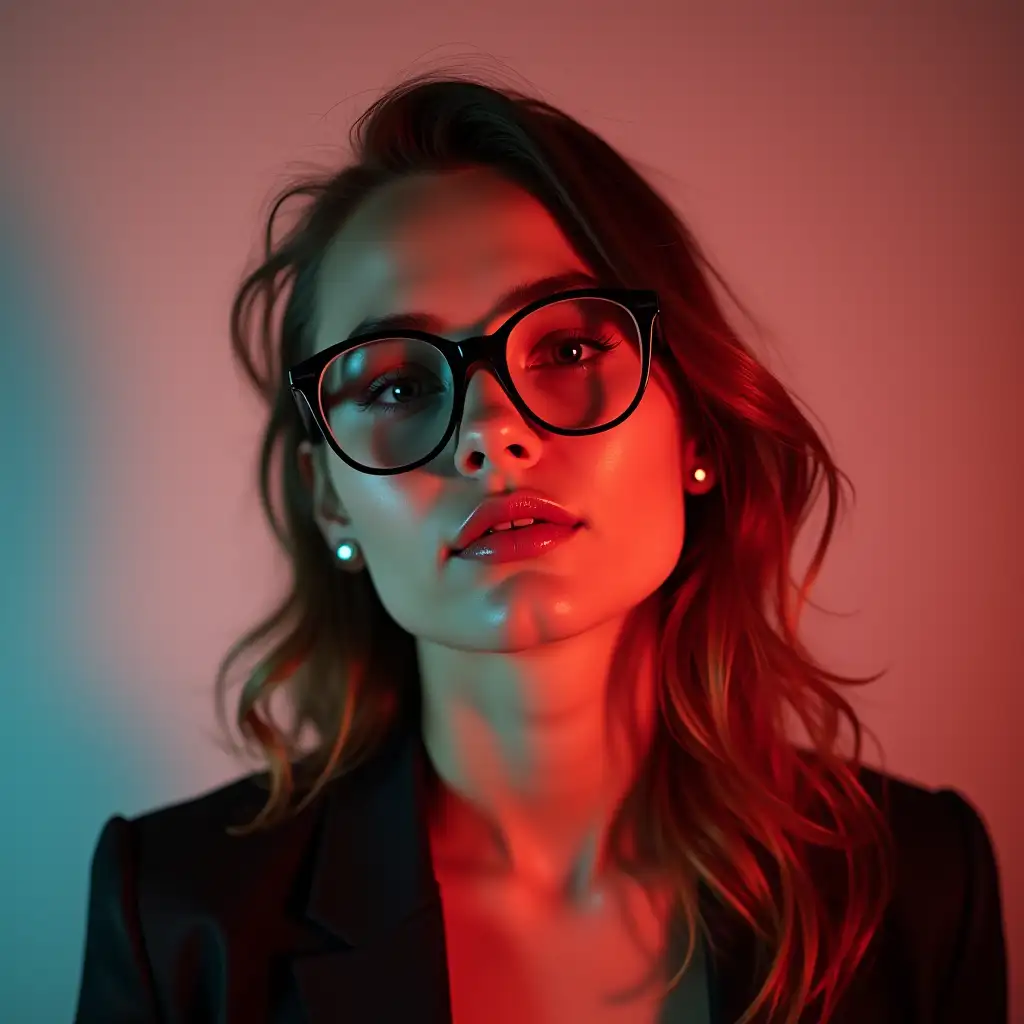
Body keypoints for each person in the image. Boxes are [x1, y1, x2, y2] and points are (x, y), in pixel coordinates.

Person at [73, 71, 1008, 1024]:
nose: (490, 432)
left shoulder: (919, 883)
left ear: (695, 433)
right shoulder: (182, 916)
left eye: (565, 350)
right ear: (332, 503)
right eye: (397, 386)